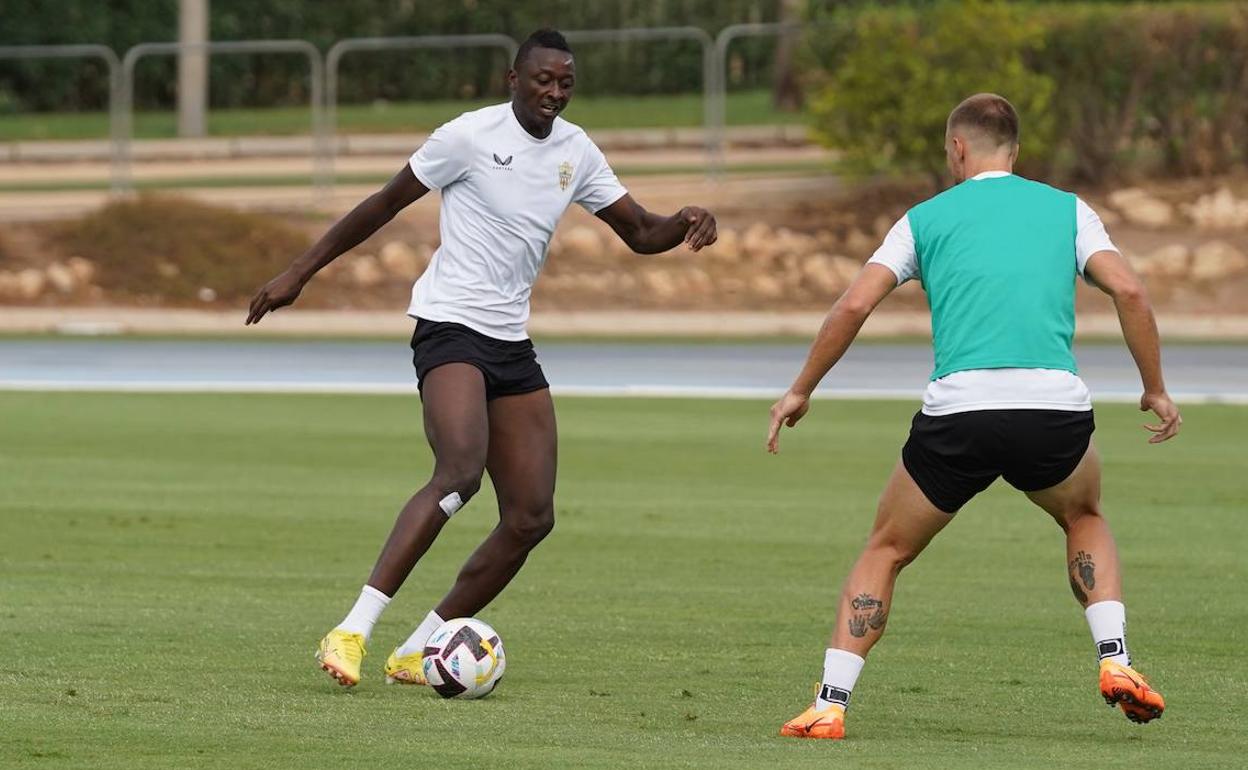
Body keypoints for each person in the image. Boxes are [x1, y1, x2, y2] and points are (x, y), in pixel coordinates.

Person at [245, 28, 717, 688]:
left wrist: (684, 220)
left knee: (531, 517)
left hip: (510, 343)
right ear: (513, 79)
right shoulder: (467, 136)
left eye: (566, 83)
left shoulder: (576, 150)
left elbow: (640, 232)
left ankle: (420, 648)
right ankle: (352, 629)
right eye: (543, 80)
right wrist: (300, 272)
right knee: (459, 473)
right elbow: (382, 204)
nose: (555, 92)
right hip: (449, 327)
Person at [766, 93, 1180, 740]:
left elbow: (852, 306)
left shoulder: (922, 219)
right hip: (1052, 409)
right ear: (1015, 148)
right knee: (1083, 516)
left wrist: (800, 390)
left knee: (888, 548)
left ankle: (829, 703)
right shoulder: (1068, 210)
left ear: (958, 147)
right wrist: (1153, 388)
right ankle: (1115, 659)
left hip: (959, 413)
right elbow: (1128, 288)